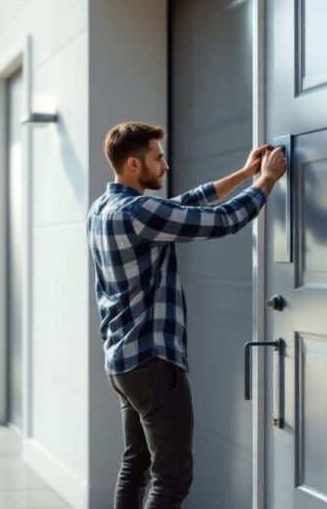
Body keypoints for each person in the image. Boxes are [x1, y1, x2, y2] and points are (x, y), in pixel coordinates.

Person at [87, 121, 287, 509]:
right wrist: (266, 181)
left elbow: (184, 204)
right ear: (133, 163)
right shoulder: (139, 211)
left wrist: (245, 174)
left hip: (123, 364)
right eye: (157, 158)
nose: (165, 165)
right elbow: (224, 220)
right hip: (153, 364)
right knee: (172, 477)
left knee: (137, 464)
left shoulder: (102, 208)